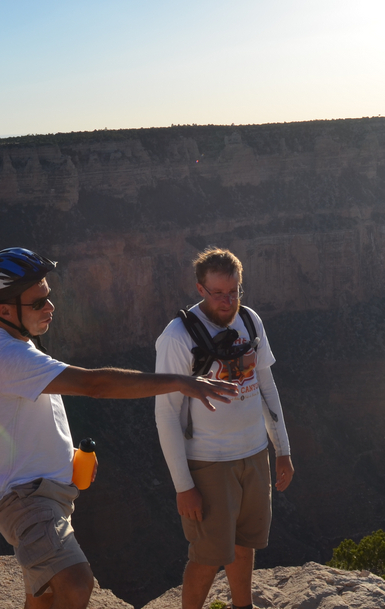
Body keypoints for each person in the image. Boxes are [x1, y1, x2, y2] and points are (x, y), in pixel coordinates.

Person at [0, 247, 238, 609]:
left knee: (44, 596)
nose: (51, 307)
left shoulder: (15, 345)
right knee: (77, 583)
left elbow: (25, 419)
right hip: (23, 499)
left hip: (39, 491)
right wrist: (180, 381)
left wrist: (65, 458)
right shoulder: (7, 356)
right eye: (39, 302)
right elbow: (95, 385)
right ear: (4, 311)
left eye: (49, 297)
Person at [154, 248, 293, 609]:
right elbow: (166, 414)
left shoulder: (249, 320)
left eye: (234, 291)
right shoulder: (178, 337)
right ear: (200, 289)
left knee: (244, 544)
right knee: (207, 555)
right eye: (218, 293)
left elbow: (266, 386)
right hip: (209, 461)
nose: (227, 301)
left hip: (254, 453)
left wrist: (282, 450)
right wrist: (183, 486)